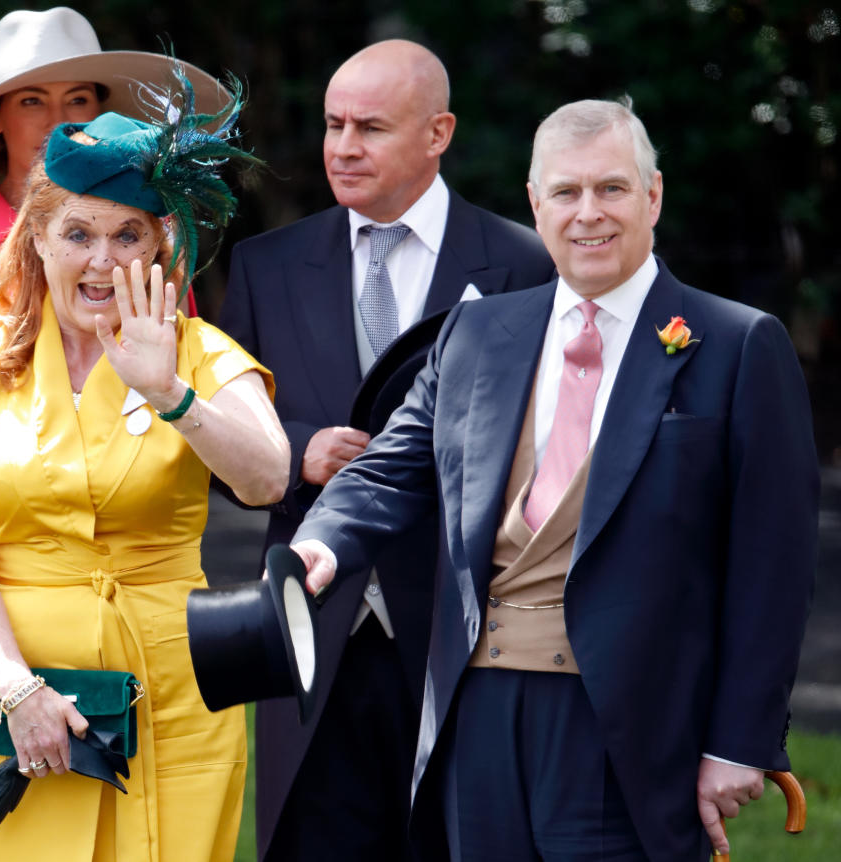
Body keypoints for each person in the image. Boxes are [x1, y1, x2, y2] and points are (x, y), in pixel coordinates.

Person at [288, 98, 819, 861]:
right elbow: (393, 465)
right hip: (478, 716)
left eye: (612, 189)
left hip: (632, 724)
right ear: (536, 206)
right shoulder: (476, 333)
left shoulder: (737, 344)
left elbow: (774, 568)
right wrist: (324, 541)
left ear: (654, 196)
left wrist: (742, 741)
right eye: (566, 193)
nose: (588, 214)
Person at [0, 76, 288, 859]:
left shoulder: (198, 355)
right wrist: (18, 688)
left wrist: (170, 394)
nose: (102, 261)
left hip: (172, 698)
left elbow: (266, 479)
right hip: (8, 692)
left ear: (160, 246)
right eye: (78, 234)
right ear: (38, 239)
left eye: (128, 236)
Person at [218, 39, 554, 861]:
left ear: (438, 133)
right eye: (333, 125)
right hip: (311, 637)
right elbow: (216, 448)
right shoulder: (266, 266)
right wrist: (297, 452)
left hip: (466, 639)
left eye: (369, 127)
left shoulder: (524, 264)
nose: (341, 147)